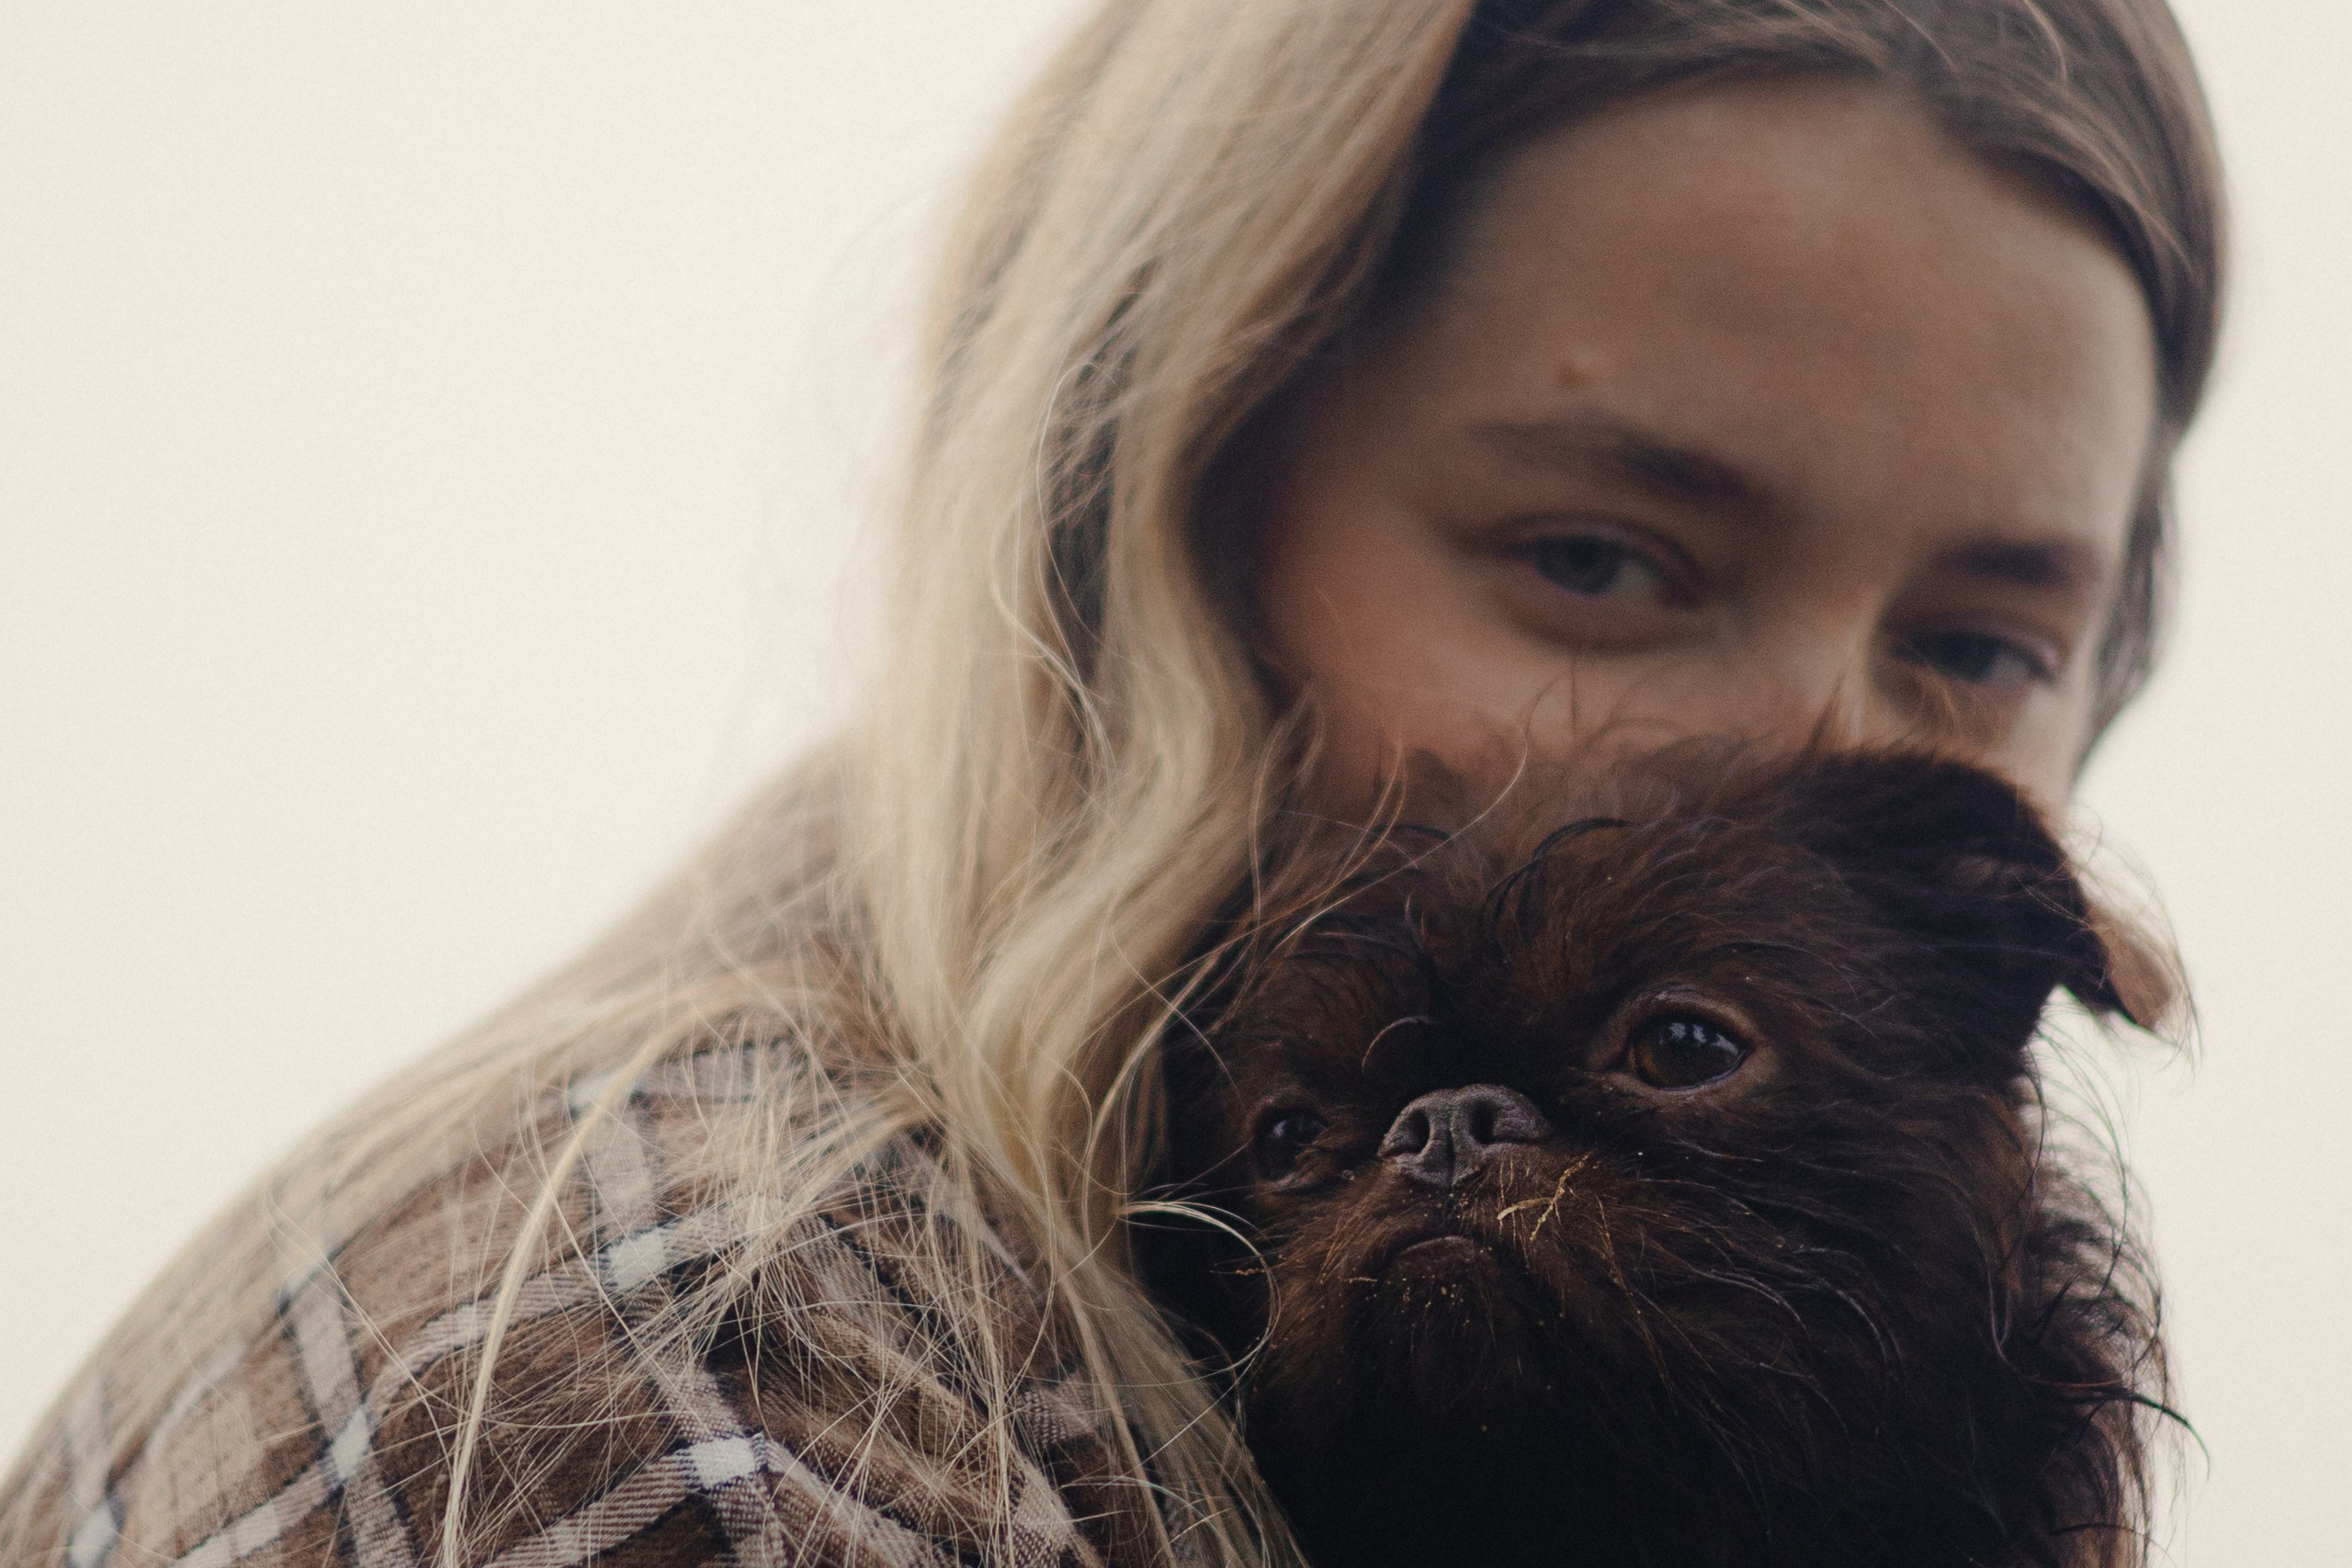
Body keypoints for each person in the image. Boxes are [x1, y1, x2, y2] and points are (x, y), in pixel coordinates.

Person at [0, 3, 2221, 1566]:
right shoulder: (712, 1370)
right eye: (1594, 561)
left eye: (1972, 644)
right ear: (1144, 504)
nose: (1796, 749)